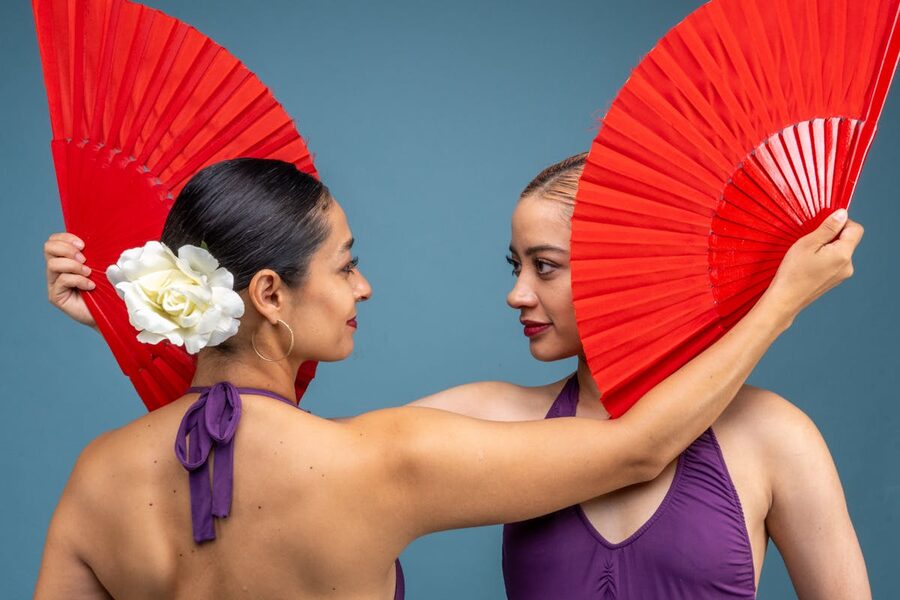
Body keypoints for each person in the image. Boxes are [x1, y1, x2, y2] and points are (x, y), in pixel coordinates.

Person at [38, 157, 859, 599]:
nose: (363, 287)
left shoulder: (94, 480)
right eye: (347, 264)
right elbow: (640, 450)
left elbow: (231, 461)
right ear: (268, 294)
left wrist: (130, 326)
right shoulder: (378, 460)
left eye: (546, 266)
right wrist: (782, 297)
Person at [413, 153, 871, 599]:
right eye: (517, 266)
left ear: (622, 267)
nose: (517, 294)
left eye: (545, 266)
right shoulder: (494, 417)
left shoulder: (774, 436)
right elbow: (346, 469)